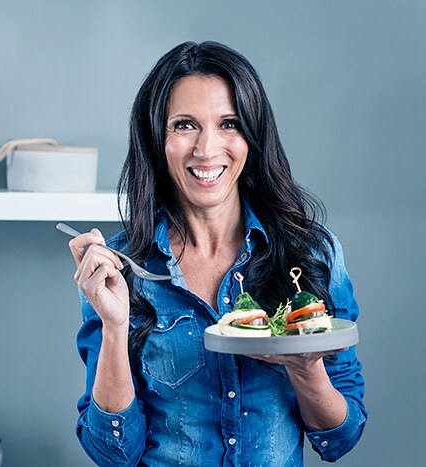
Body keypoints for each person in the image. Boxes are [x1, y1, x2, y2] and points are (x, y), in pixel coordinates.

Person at [67, 41, 367, 466]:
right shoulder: (120, 270)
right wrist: (115, 327)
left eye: (229, 123)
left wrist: (304, 367)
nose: (206, 149)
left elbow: (341, 437)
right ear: (157, 139)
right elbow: (112, 453)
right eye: (185, 125)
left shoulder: (312, 253)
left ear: (253, 136)